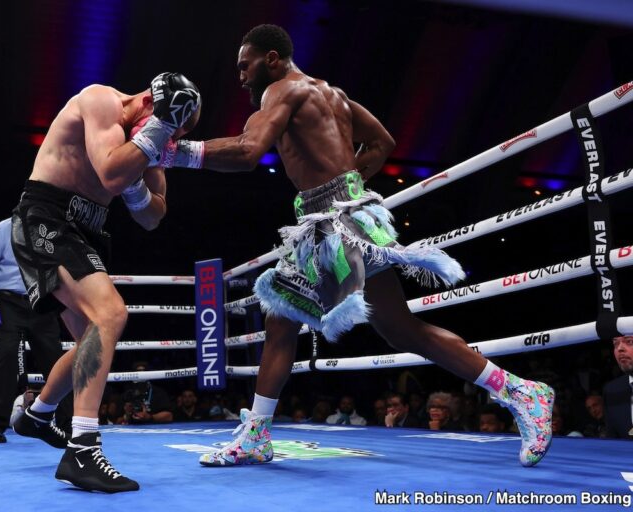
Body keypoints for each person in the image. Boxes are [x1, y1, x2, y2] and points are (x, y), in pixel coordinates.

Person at [158, 24, 553, 467]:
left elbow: (249, 152)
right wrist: (347, 185)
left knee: (304, 321)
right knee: (366, 326)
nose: (241, 77)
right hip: (344, 215)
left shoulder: (282, 91)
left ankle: (521, 391)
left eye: (245, 65)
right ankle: (519, 390)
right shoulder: (334, 95)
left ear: (272, 59)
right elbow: (383, 142)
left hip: (335, 222)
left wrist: (173, 153)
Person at [9, 73, 200, 493]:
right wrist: (153, 136)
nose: (169, 139)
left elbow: (153, 217)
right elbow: (112, 174)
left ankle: (38, 414)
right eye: (168, 126)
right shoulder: (100, 101)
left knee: (90, 342)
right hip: (48, 217)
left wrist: (139, 183)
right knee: (110, 314)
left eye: (177, 134)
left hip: (88, 230)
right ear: (149, 102)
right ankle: (82, 450)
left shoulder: (152, 139)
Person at [0, 217, 70, 443]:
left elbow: (61, 269)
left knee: (56, 362)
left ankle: (69, 424)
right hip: (8, 302)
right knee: (7, 358)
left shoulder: (54, 230)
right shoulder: (4, 228)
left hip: (42, 301)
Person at [603, 335, 633, 439]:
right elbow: (612, 440)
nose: (619, 348)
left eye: (629, 341)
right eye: (615, 344)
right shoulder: (612, 391)